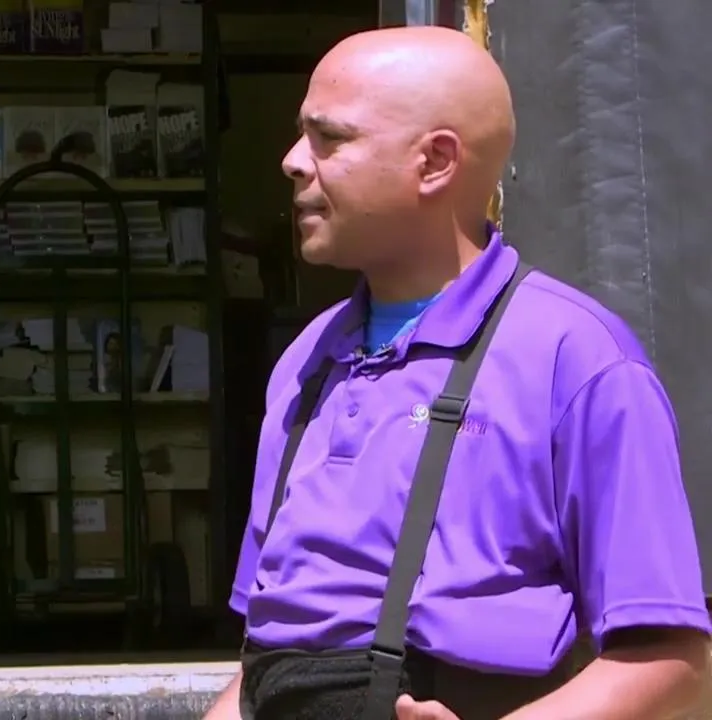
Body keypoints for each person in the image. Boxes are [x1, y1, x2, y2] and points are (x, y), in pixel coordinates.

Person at [204, 26, 711, 720]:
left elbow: (673, 664)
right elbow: (264, 658)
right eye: (301, 136)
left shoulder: (576, 359)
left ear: (435, 162)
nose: (292, 162)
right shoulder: (304, 362)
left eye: (330, 139)